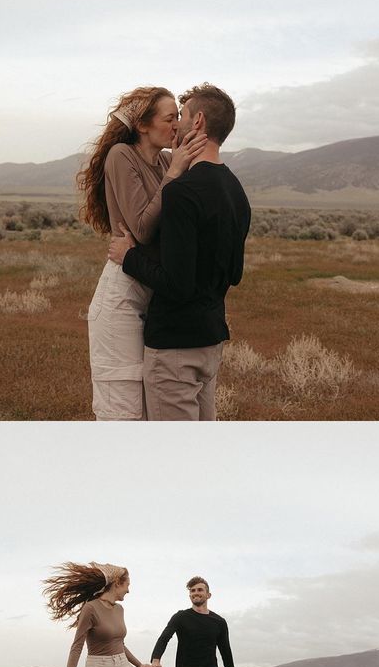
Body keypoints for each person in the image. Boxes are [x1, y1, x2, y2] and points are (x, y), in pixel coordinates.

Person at [108, 83, 251, 421]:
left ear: (197, 121)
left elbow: (177, 284)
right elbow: (235, 274)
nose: (177, 124)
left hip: (174, 346)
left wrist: (129, 257)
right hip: (211, 340)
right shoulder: (235, 189)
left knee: (174, 460)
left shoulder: (182, 192)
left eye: (182, 116)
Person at [77, 87, 207, 421]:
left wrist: (182, 160)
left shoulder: (166, 160)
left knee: (152, 405)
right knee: (123, 406)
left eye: (178, 117)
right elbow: (142, 229)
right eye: (169, 118)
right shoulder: (122, 155)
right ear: (143, 125)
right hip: (122, 293)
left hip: (150, 286)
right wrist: (175, 172)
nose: (177, 124)